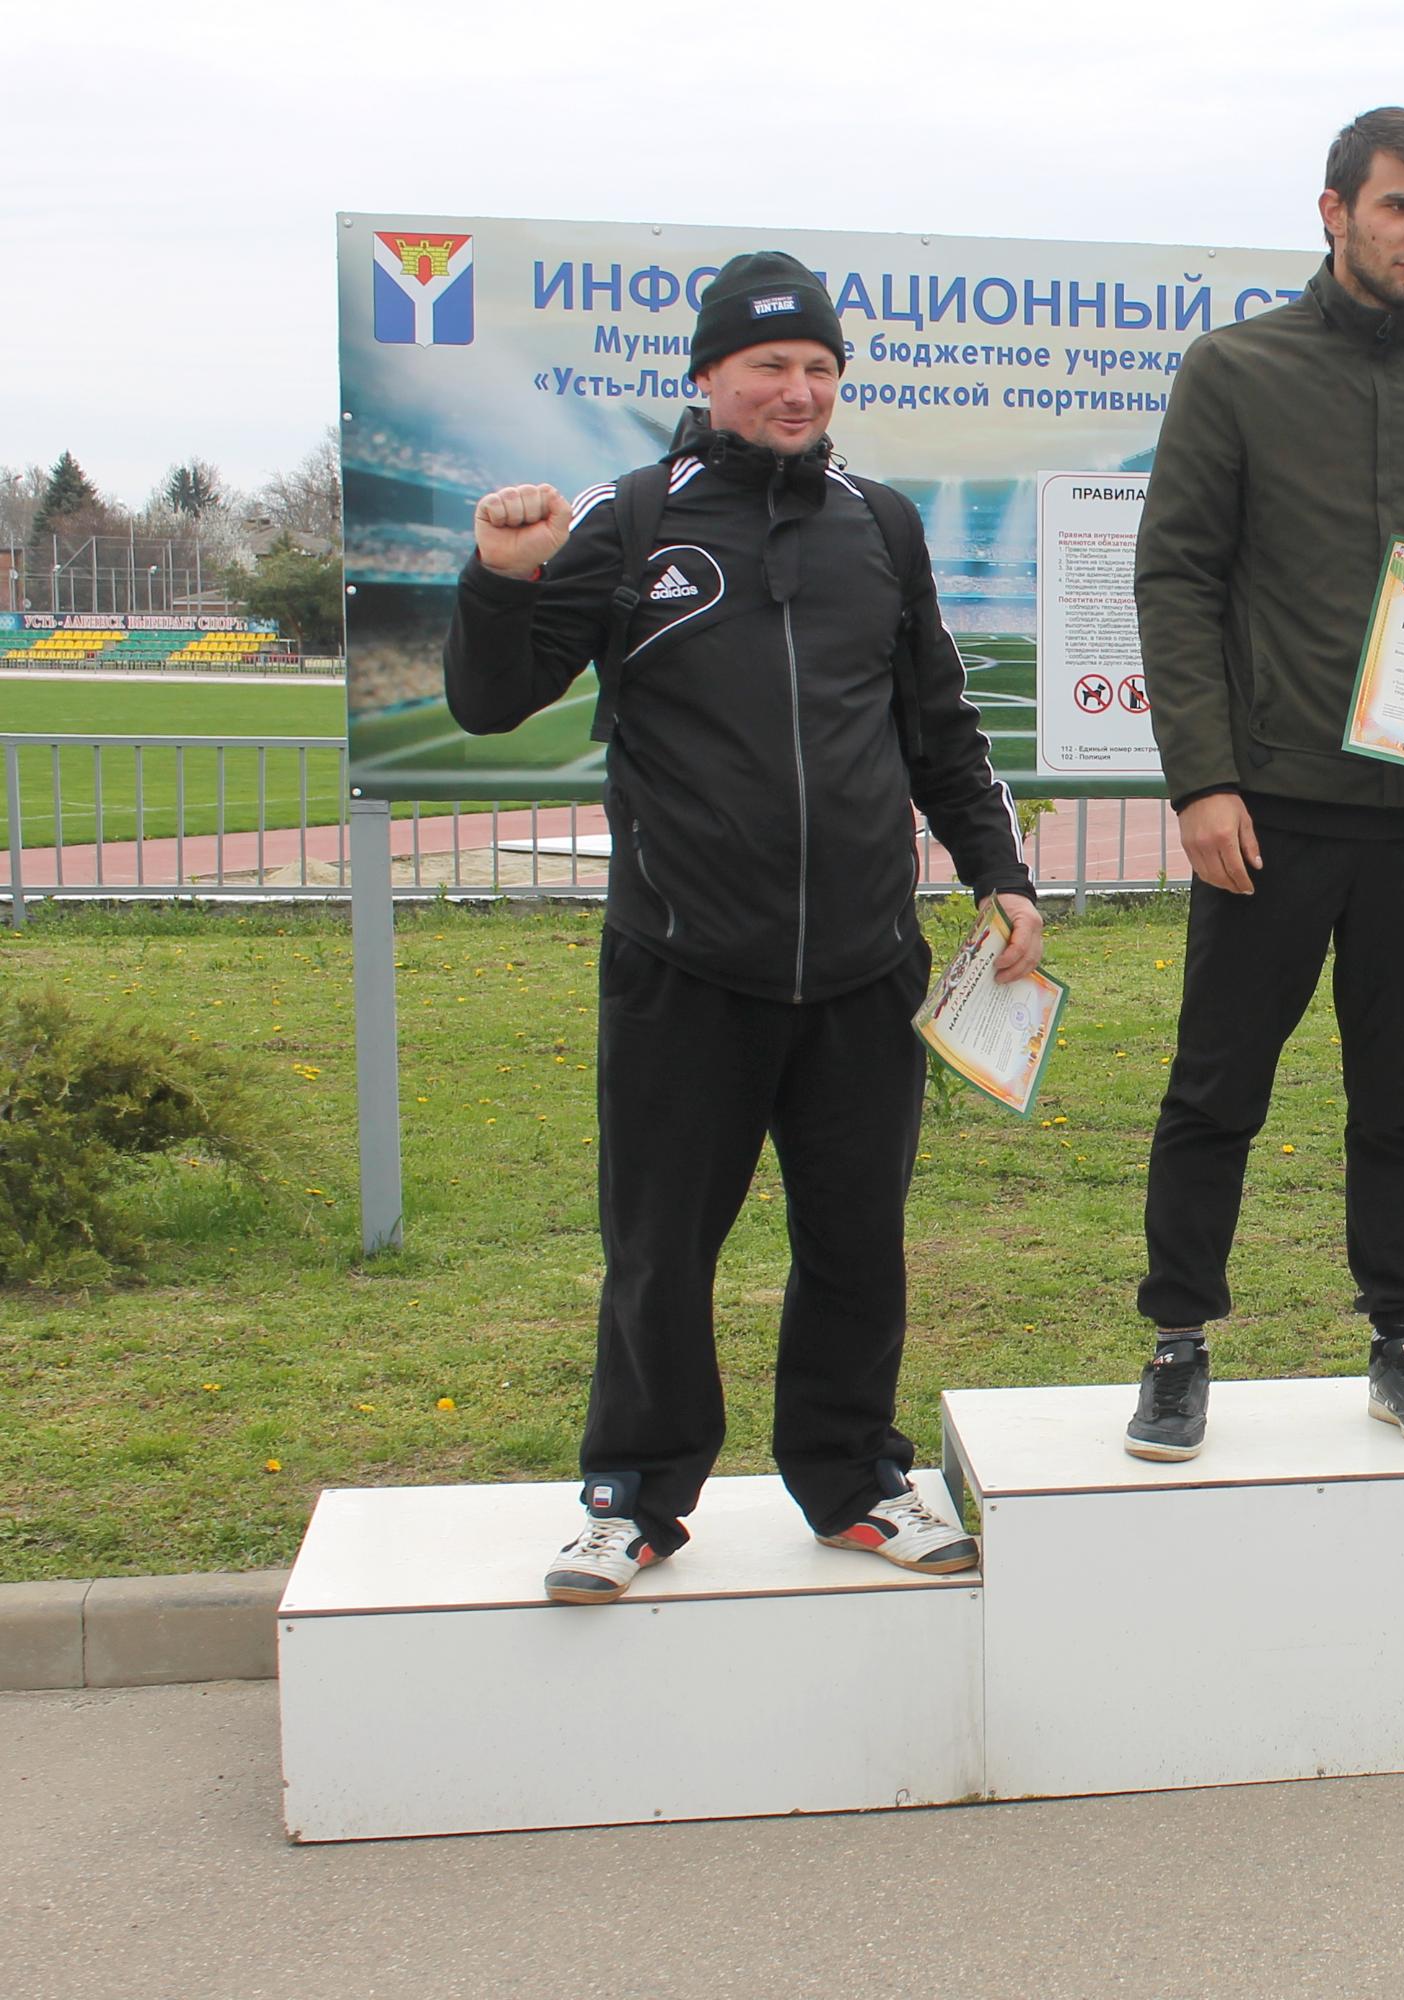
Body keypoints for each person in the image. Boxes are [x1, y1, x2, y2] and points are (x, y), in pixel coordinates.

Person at [445, 251, 1042, 1603]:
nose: (797, 389)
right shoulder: (633, 518)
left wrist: (997, 871)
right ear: (707, 375)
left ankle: (853, 1478)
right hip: (681, 966)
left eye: (820, 369)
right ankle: (635, 1500)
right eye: (770, 366)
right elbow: (492, 700)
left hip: (860, 968)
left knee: (856, 1241)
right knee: (660, 1249)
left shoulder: (881, 527)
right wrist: (501, 576)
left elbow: (939, 730)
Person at [1121, 107, 1404, 1463]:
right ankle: (1178, 1341)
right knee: (1217, 1088)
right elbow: (1176, 574)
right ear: (1334, 212)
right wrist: (1204, 779)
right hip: (1272, 803)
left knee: (1400, 1094)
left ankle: (1400, 1340)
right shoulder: (1236, 370)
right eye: (1399, 209)